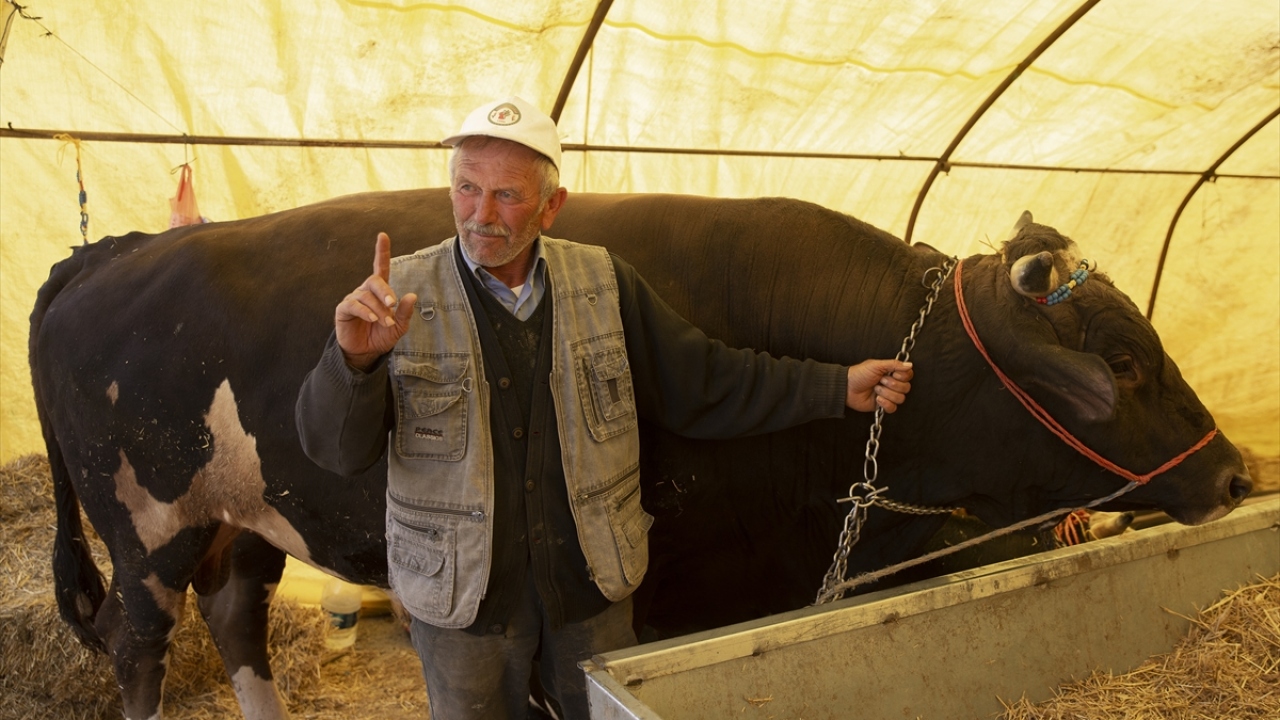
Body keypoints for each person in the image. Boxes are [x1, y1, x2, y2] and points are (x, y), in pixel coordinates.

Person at [295, 96, 913, 719]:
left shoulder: (603, 281)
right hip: (462, 606)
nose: (481, 214)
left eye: (507, 195)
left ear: (551, 205)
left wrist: (834, 387)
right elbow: (336, 452)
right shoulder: (397, 294)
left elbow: (704, 381)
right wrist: (353, 363)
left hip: (590, 590)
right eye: (466, 188)